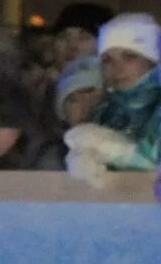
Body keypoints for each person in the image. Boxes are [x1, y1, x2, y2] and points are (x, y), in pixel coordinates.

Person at [68, 12, 161, 176]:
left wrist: (122, 152)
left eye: (130, 57)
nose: (117, 69)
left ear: (153, 60)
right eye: (107, 60)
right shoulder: (105, 110)